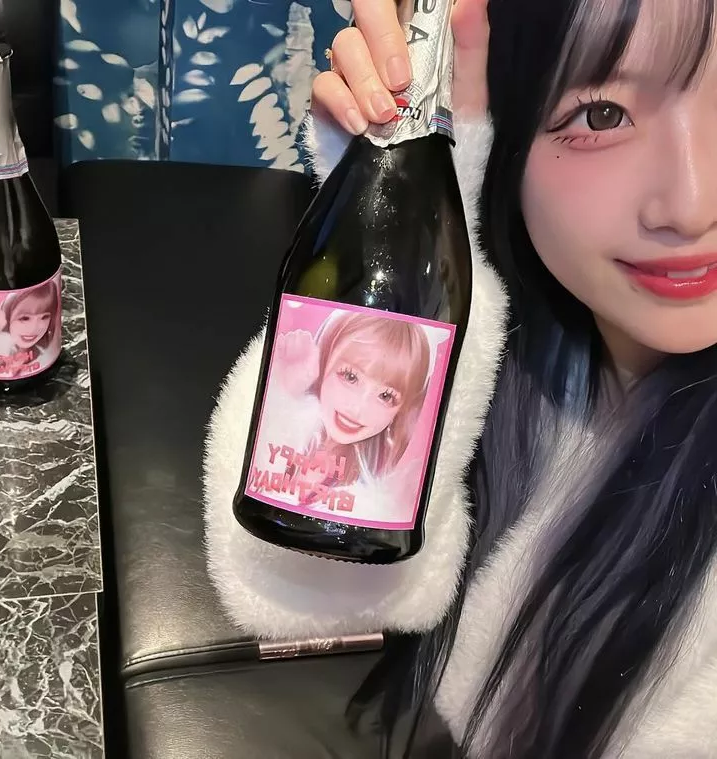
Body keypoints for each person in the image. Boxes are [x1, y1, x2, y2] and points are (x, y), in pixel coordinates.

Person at [203, 0, 717, 755]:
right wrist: (412, 202)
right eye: (602, 114)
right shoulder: (536, 358)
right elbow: (294, 584)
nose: (692, 205)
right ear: (504, 138)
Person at [249, 310, 435, 523]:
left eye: (386, 396)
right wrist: (284, 390)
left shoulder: (375, 489)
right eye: (350, 376)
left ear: (400, 411)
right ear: (324, 359)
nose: (358, 408)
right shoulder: (288, 427)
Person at [0, 281, 61, 378]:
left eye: (44, 317)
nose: (33, 328)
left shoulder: (45, 355)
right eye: (25, 318)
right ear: (7, 316)